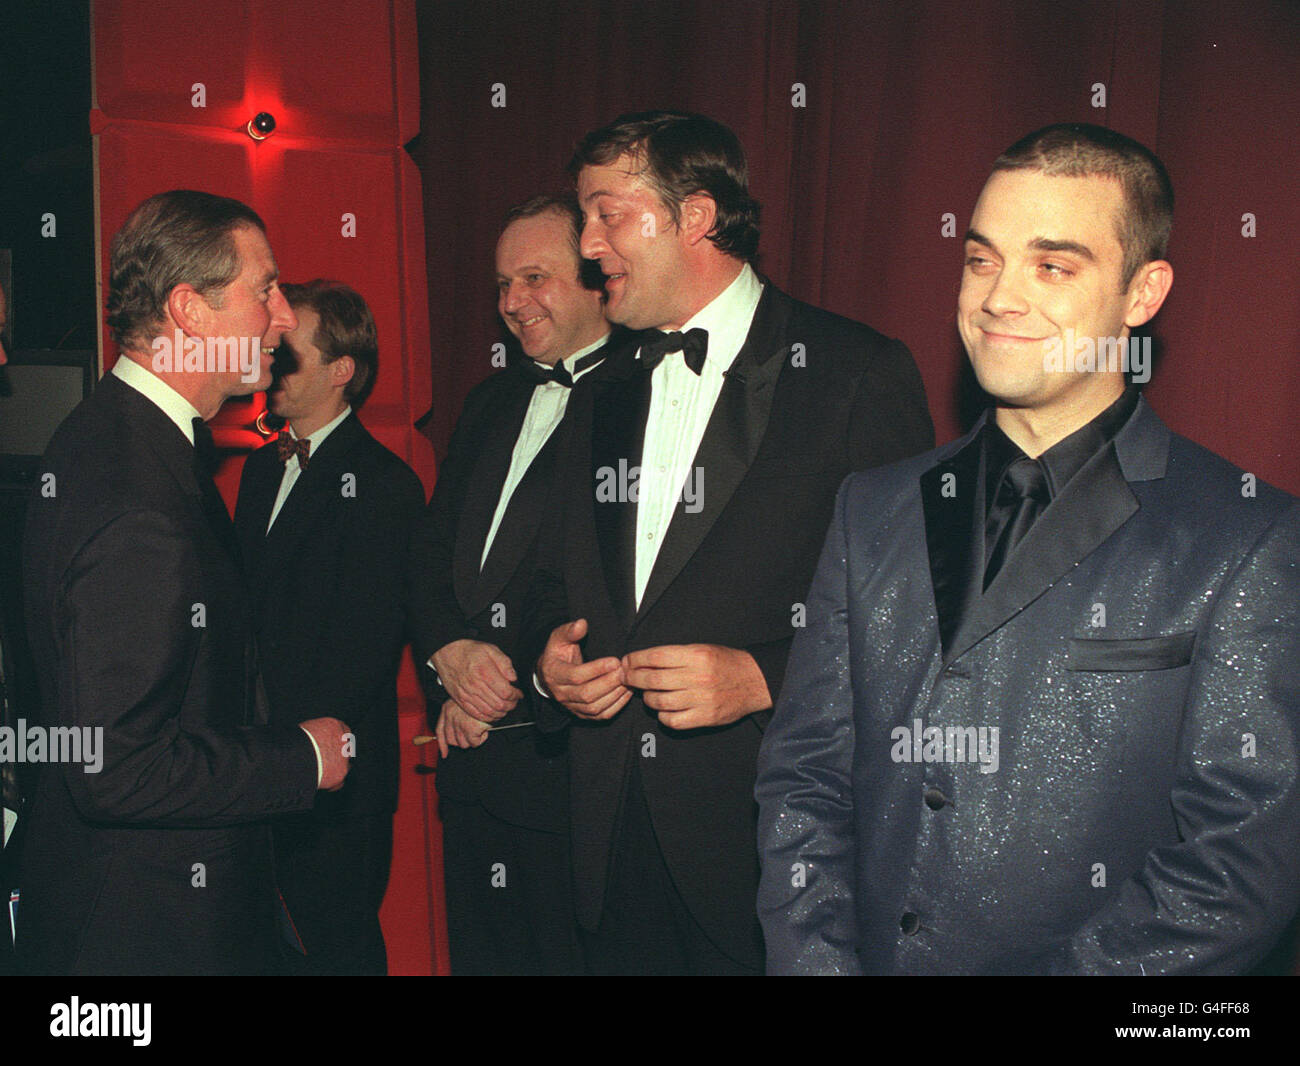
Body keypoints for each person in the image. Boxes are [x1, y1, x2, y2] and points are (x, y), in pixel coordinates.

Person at [755, 123, 1300, 975]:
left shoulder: (1248, 538)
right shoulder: (873, 507)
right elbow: (804, 784)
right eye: (981, 259)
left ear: (1142, 293)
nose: (999, 297)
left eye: (1053, 265)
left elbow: (1237, 869)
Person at [526, 111, 934, 974]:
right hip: (608, 842)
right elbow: (547, 583)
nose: (587, 244)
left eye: (606, 213)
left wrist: (761, 679)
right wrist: (545, 664)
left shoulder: (856, 373)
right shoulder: (597, 394)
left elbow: (922, 616)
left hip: (774, 850)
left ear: (697, 216)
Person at [17, 190, 350, 975]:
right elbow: (117, 768)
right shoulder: (139, 494)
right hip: (145, 932)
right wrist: (298, 758)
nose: (280, 318)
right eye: (264, 290)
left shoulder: (118, 436)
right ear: (190, 311)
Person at [409, 194, 632, 974]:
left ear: (597, 278)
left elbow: (599, 587)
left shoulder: (644, 400)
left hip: (566, 775)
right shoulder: (488, 399)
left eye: (534, 277)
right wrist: (446, 659)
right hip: (469, 768)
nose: (510, 303)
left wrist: (490, 688)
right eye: (503, 284)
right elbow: (431, 554)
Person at [234, 279, 423, 975]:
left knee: (334, 954)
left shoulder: (386, 485)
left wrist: (279, 743)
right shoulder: (259, 469)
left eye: (290, 355)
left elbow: (364, 650)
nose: (272, 365)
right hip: (255, 767)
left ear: (343, 371)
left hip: (333, 779)